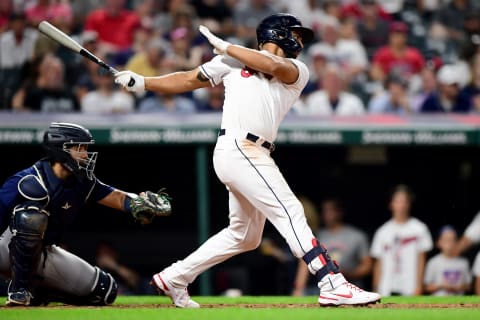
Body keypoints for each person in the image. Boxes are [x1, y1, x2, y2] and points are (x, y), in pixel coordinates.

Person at [115, 13, 381, 308]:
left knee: (245, 236)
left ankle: (175, 276)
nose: (300, 40)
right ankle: (332, 282)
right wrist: (143, 83)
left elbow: (272, 65)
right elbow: (189, 78)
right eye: (296, 33)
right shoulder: (230, 61)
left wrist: (227, 47)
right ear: (278, 33)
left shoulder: (297, 69)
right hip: (239, 147)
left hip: (253, 151)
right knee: (290, 211)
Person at [0, 122, 172, 306]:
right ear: (60, 150)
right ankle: (20, 290)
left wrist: (139, 202)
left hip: (43, 252)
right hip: (6, 248)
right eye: (79, 148)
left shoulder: (82, 181)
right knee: (31, 218)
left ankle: (40, 291)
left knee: (105, 291)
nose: (85, 154)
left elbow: (116, 197)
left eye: (85, 148)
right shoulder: (27, 181)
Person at [292, 198, 372, 296]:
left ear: (340, 212)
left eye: (330, 210)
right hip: (322, 289)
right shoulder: (316, 236)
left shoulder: (356, 236)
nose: (327, 214)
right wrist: (299, 288)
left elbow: (367, 266)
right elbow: (304, 263)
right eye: (324, 211)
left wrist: (349, 274)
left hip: (352, 286)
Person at [370, 184, 433, 296]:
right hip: (386, 287)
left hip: (410, 286)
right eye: (398, 201)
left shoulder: (419, 229)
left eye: (404, 201)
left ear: (409, 204)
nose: (401, 205)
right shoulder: (382, 231)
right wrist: (376, 288)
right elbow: (378, 263)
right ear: (391, 204)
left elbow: (421, 260)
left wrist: (419, 286)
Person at [423, 225, 472, 296]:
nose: (449, 244)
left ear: (457, 242)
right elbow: (427, 287)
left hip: (459, 303)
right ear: (438, 242)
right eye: (446, 240)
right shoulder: (433, 262)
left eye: (452, 240)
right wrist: (441, 286)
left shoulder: (463, 262)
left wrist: (460, 287)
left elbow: (469, 286)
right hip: (439, 302)